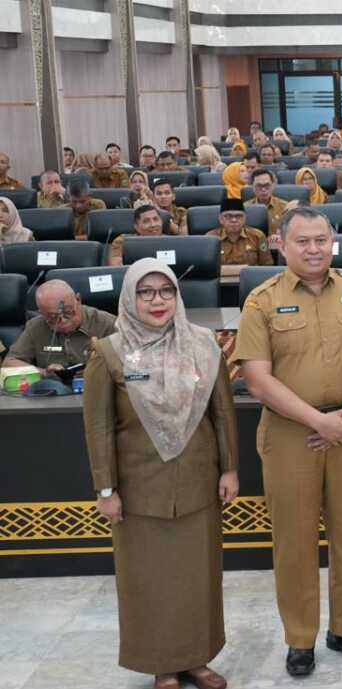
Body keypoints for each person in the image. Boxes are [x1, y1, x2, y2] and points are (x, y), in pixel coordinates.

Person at [234, 207, 342, 677]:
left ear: (333, 241)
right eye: (303, 241)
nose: (314, 248)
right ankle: (300, 638)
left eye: (322, 240)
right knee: (295, 542)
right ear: (282, 244)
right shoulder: (261, 301)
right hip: (291, 433)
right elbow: (256, 380)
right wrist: (319, 422)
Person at [82, 258, 237, 689]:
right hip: (138, 489)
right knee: (149, 581)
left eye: (165, 291)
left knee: (198, 577)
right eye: (145, 292)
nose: (157, 301)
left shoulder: (205, 344)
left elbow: (222, 413)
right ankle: (162, 665)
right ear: (130, 298)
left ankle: (197, 660)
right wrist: (106, 488)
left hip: (198, 482)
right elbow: (98, 427)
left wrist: (230, 468)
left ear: (178, 295)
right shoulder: (109, 351)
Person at [3, 279, 117, 373]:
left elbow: (130, 360)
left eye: (68, 312)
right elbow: (9, 363)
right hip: (54, 393)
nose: (62, 320)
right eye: (53, 317)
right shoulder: (35, 326)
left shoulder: (107, 323)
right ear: (41, 312)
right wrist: (43, 372)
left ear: (78, 300)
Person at [206, 197, 272, 272]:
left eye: (238, 216)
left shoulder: (258, 236)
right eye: (228, 216)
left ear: (245, 218)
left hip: (250, 280)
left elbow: (266, 265)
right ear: (221, 219)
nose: (234, 220)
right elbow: (207, 268)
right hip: (219, 281)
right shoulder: (210, 238)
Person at [247, 168, 289, 243]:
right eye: (259, 186)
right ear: (252, 187)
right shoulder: (245, 208)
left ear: (273, 185)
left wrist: (281, 236)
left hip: (277, 247)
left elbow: (291, 231)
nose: (263, 189)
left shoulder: (285, 206)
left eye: (267, 185)